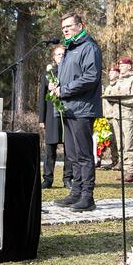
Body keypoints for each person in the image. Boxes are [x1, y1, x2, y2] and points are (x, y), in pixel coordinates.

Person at [50, 12, 102, 212]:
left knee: (83, 154)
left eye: (69, 27)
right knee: (72, 154)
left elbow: (91, 77)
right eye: (63, 28)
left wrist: (65, 89)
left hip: (82, 108)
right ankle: (76, 192)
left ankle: (88, 196)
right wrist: (57, 86)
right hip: (68, 109)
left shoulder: (89, 47)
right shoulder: (70, 49)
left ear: (80, 26)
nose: (65, 31)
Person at [38, 45, 71, 189]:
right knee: (50, 148)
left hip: (68, 114)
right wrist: (41, 119)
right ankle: (47, 179)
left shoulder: (71, 71)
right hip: (51, 115)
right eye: (58, 54)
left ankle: (68, 178)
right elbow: (42, 98)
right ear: (53, 57)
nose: (61, 57)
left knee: (69, 148)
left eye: (63, 54)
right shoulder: (48, 74)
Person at [104, 57, 133, 182]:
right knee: (120, 144)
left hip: (128, 116)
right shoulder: (119, 81)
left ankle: (131, 171)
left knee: (129, 144)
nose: (121, 67)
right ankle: (124, 169)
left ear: (129, 66)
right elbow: (111, 96)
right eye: (120, 65)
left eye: (123, 65)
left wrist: (118, 100)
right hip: (116, 116)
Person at [100, 65, 120, 169]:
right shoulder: (108, 87)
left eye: (113, 72)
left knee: (119, 140)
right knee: (111, 141)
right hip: (107, 117)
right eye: (110, 72)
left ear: (118, 73)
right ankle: (114, 160)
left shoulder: (119, 86)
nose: (110, 74)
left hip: (115, 116)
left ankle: (121, 161)